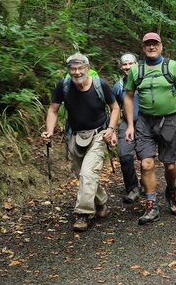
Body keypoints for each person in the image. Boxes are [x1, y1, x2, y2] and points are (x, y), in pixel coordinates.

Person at [41, 53, 120, 232]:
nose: (76, 72)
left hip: (98, 135)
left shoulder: (101, 85)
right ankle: (101, 202)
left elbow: (115, 108)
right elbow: (53, 110)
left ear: (87, 68)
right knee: (81, 174)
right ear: (69, 70)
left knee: (87, 173)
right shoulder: (64, 86)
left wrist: (111, 129)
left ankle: (83, 214)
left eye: (80, 68)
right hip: (74, 135)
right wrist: (50, 131)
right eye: (73, 69)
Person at [124, 32, 176, 225]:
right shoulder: (137, 70)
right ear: (143, 48)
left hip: (169, 120)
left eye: (155, 44)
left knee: (169, 164)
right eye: (148, 45)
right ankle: (151, 204)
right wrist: (129, 124)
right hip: (144, 121)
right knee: (146, 164)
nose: (151, 47)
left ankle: (171, 190)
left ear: (161, 46)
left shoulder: (172, 66)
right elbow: (128, 96)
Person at [112, 53, 141, 203]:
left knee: (145, 158)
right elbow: (115, 108)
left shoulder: (144, 82)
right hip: (126, 123)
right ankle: (132, 188)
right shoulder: (118, 87)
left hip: (145, 123)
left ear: (137, 64)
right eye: (125, 64)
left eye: (131, 63)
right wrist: (112, 130)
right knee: (124, 155)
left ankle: (148, 187)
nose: (127, 67)